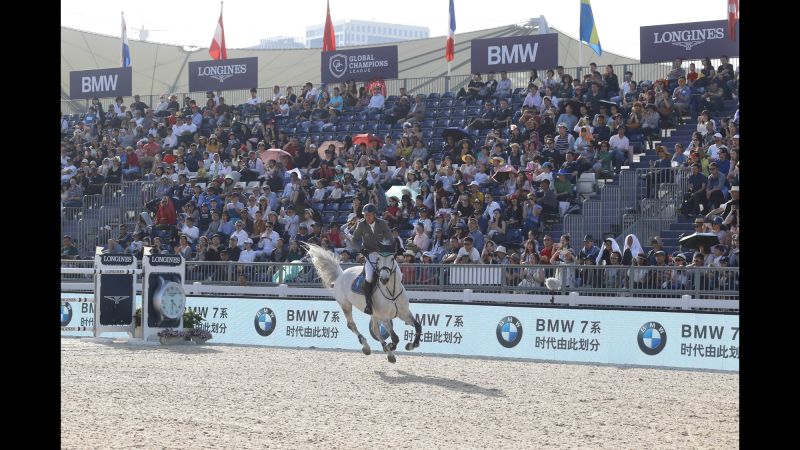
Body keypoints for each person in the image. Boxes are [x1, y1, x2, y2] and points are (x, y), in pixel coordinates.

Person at [350, 203, 393, 315]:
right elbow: (354, 240)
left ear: (374, 215)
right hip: (370, 253)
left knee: (395, 271)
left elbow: (390, 238)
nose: (367, 217)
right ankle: (368, 304)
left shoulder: (382, 223)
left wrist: (386, 248)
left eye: (369, 215)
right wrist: (361, 249)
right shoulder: (361, 224)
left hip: (383, 253)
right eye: (365, 215)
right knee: (369, 277)